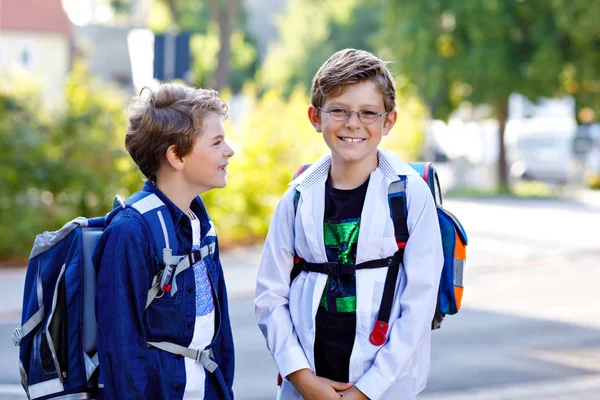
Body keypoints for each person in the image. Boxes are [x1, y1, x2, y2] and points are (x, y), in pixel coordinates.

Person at [254, 49, 443, 400]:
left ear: (389, 122)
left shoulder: (409, 195)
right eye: (338, 110)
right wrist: (301, 377)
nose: (353, 123)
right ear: (315, 117)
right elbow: (269, 295)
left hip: (384, 386)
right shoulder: (297, 197)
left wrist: (367, 390)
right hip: (306, 385)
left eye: (369, 113)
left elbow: (418, 304)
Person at [93, 83, 235, 399]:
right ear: (176, 156)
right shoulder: (131, 231)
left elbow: (219, 337)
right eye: (216, 142)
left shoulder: (203, 226)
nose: (230, 150)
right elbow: (121, 350)